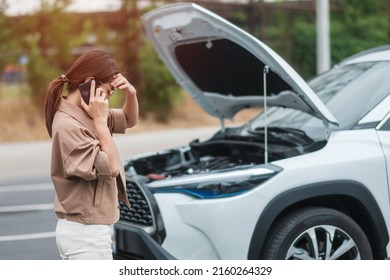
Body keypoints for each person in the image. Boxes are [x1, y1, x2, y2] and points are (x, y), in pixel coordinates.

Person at [43, 49, 138, 260]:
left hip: (89, 231)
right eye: (109, 90)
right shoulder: (69, 124)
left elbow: (129, 120)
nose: (111, 96)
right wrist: (101, 122)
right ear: (89, 84)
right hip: (86, 234)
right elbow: (110, 168)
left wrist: (130, 93)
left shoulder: (84, 113)